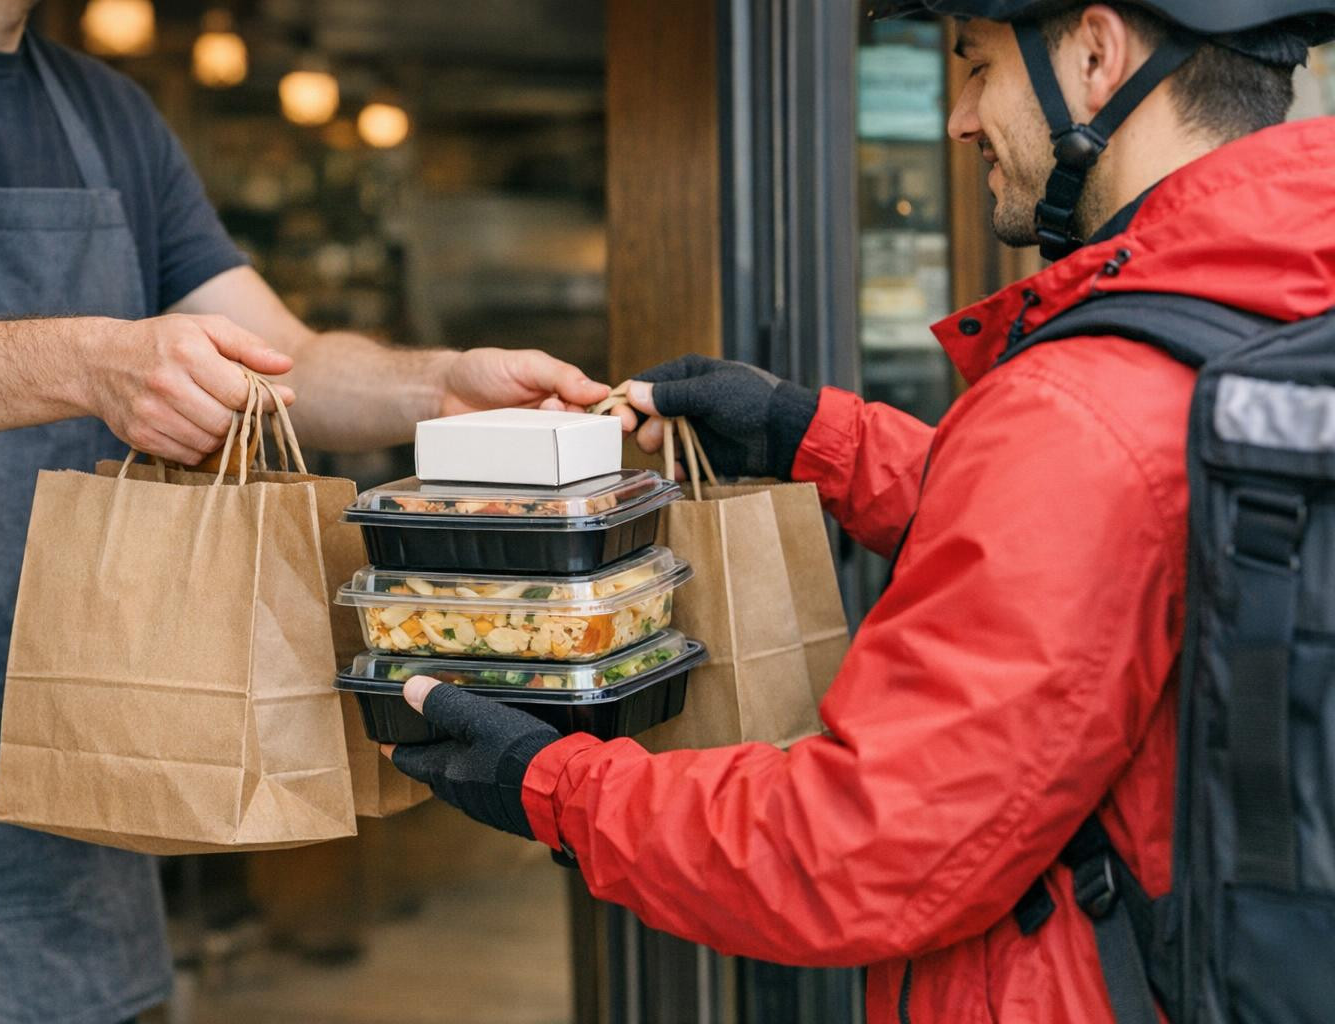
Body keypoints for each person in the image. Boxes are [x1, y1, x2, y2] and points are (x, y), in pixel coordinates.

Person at [387, 2, 1335, 1021]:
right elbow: (1131, 538)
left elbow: (858, 849)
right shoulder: (1281, 288)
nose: (960, 119)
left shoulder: (1083, 405)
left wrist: (551, 783)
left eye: (976, 68)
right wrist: (814, 436)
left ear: (1097, 56)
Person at [0, 0, 608, 1020]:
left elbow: (284, 361)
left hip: (100, 773)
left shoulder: (107, 113)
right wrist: (94, 361)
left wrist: (439, 385)